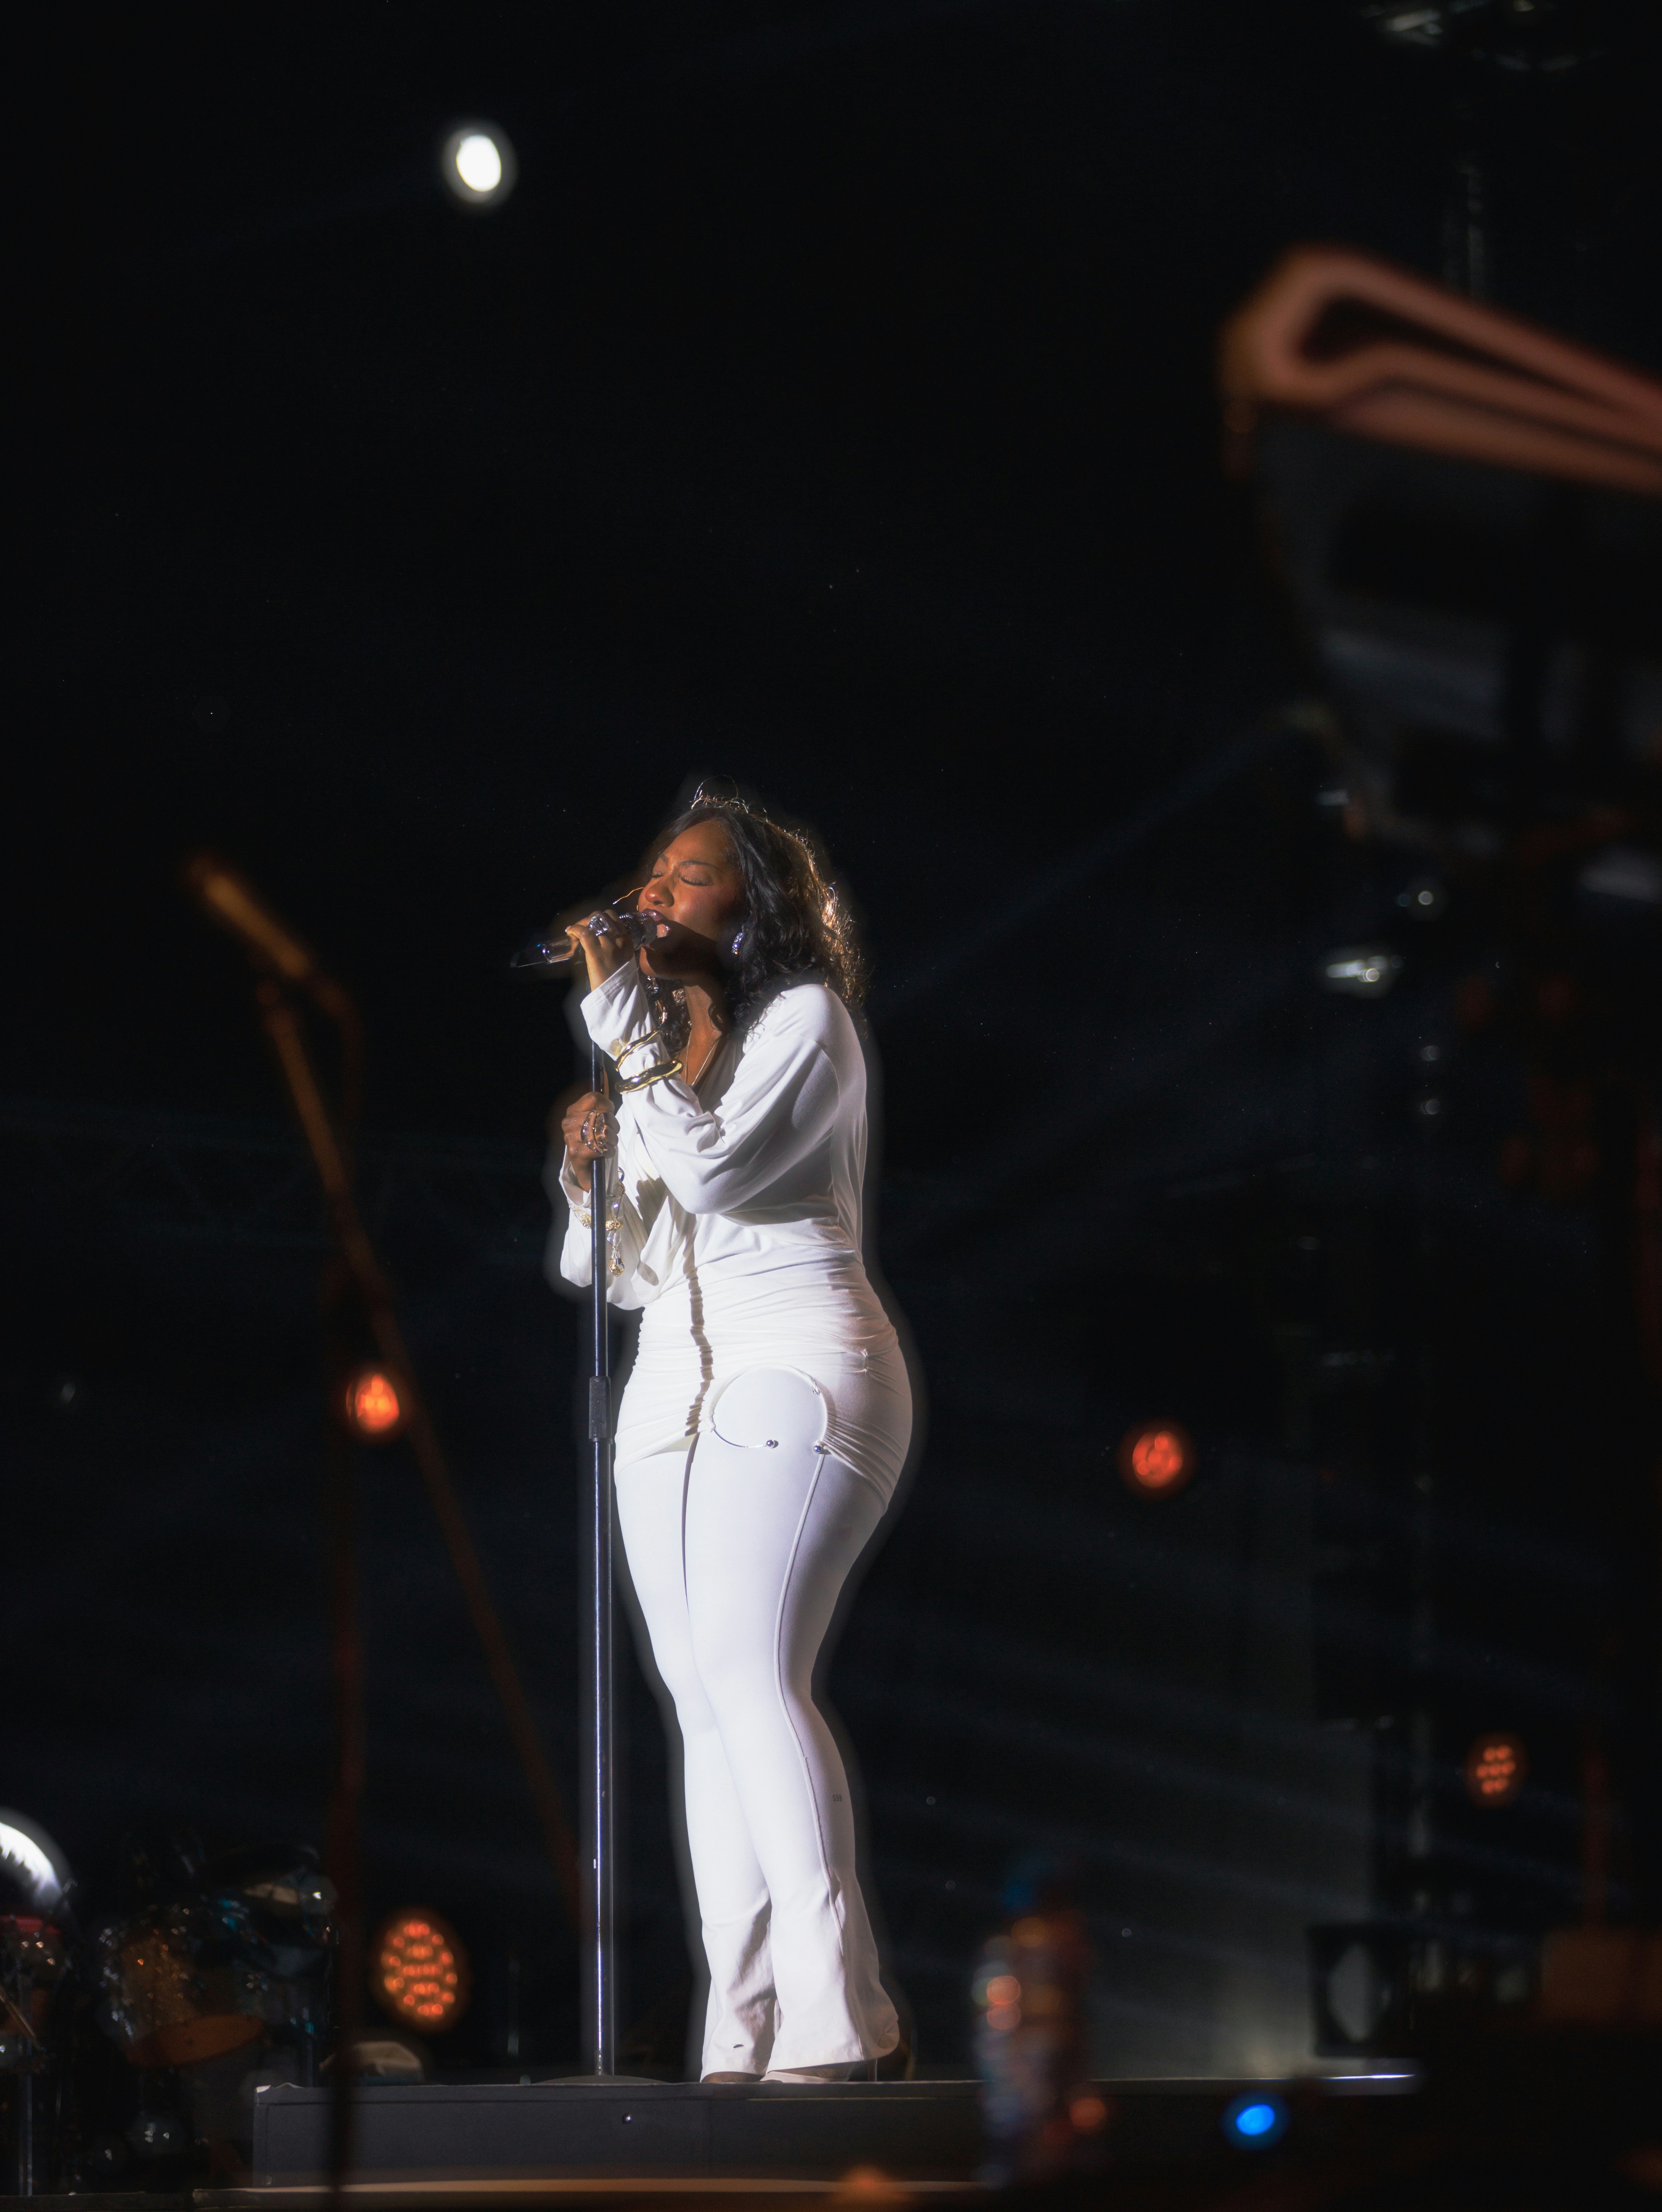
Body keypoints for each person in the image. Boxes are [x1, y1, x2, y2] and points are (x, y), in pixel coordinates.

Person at [550, 793, 911, 2084]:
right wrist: (588, 1179)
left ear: (750, 909)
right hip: (669, 1387)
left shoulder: (807, 1026)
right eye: (649, 877)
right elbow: (625, 1275)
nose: (651, 899)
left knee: (758, 1676)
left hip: (798, 1354)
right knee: (703, 1704)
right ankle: (741, 2028)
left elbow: (722, 1183)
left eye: (687, 880)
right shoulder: (659, 1065)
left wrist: (630, 1056)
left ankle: (843, 2019)